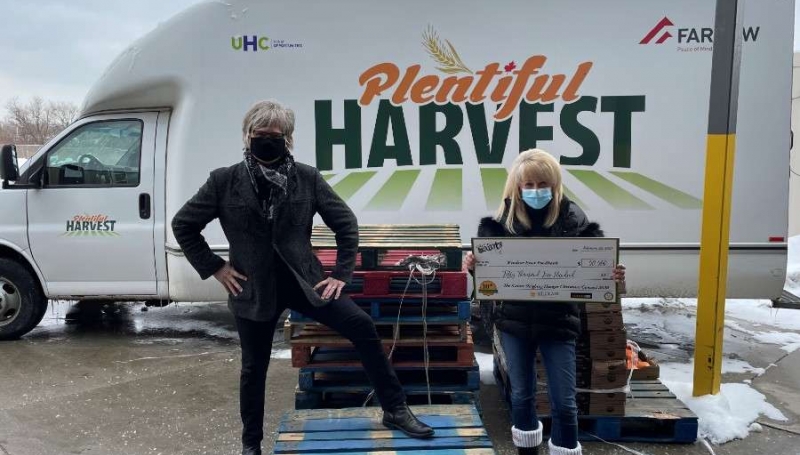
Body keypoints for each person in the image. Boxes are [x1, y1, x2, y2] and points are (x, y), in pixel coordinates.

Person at [171, 100, 434, 455]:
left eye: (274, 135)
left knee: (361, 326)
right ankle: (251, 444)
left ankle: (395, 409)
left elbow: (346, 223)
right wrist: (215, 267)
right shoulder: (224, 181)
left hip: (305, 283)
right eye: (259, 134)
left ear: (288, 139)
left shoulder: (307, 178)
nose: (266, 140)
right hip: (253, 289)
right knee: (253, 369)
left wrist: (340, 274)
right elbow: (183, 225)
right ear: (247, 136)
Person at [464, 149, 626, 455]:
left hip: (559, 321)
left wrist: (612, 275)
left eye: (543, 184)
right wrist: (474, 266)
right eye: (529, 184)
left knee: (564, 403)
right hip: (514, 322)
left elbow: (595, 269)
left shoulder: (573, 218)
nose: (536, 190)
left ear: (555, 184)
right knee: (522, 396)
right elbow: (490, 279)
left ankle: (564, 448)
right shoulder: (500, 224)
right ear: (518, 185)